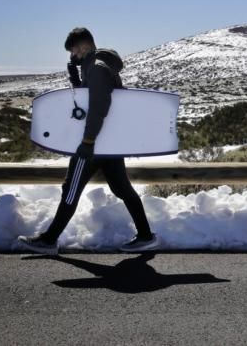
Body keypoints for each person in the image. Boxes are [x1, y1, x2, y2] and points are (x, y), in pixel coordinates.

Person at [18, 27, 159, 255]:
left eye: (73, 50)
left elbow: (98, 108)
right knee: (122, 188)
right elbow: (86, 99)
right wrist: (75, 76)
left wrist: (87, 141)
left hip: (94, 144)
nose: (72, 55)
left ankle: (49, 240)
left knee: (71, 189)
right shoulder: (96, 65)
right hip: (108, 144)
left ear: (83, 46)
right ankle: (145, 236)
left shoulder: (96, 68)